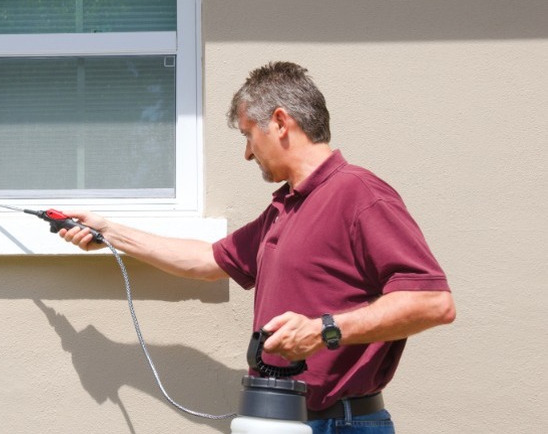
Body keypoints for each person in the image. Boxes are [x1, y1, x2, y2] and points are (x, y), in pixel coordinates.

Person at [58, 61, 455, 434]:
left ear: (280, 122)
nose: (247, 152)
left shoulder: (358, 193)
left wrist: (325, 330)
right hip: (279, 422)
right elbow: (205, 261)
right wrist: (110, 231)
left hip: (338, 425)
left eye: (249, 134)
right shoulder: (285, 209)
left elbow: (432, 302)